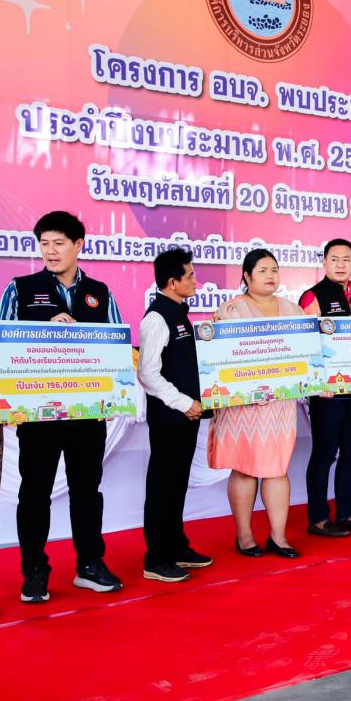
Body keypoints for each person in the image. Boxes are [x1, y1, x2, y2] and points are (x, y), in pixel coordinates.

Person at [0, 211, 124, 602]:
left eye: (58, 243)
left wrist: (112, 393)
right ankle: (34, 571)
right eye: (44, 244)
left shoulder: (100, 292)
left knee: (87, 491)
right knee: (34, 493)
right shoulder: (21, 289)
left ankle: (90, 565)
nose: (50, 251)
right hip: (38, 416)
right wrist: (45, 331)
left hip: (87, 414)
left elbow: (117, 347)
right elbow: (1, 347)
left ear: (78, 245)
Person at [208, 249, 301, 559]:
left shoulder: (293, 310)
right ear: (247, 276)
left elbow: (307, 354)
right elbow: (219, 358)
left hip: (279, 405)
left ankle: (279, 537)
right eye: (262, 271)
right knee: (245, 469)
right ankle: (245, 536)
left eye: (274, 270)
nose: (270, 276)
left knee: (277, 468)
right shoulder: (232, 311)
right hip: (243, 406)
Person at [137, 249, 212, 583]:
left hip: (185, 417)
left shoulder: (180, 313)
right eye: (190, 275)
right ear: (172, 282)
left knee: (177, 483)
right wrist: (183, 403)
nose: (195, 280)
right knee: (162, 486)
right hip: (170, 418)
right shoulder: (156, 318)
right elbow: (148, 374)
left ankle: (176, 547)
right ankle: (156, 558)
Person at [299, 239, 351, 536]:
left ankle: (347, 513)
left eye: (347, 259)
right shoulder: (313, 295)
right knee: (324, 454)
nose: (341, 264)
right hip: (327, 392)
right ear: (324, 262)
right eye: (335, 259)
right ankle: (318, 519)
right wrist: (319, 382)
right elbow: (307, 342)